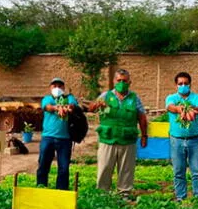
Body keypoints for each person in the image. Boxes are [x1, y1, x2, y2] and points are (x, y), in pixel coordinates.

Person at [90, 69, 148, 201]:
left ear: (129, 82)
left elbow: (142, 118)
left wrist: (144, 136)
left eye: (124, 81)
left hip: (127, 140)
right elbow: (91, 108)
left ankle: (124, 194)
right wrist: (97, 105)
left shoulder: (135, 98)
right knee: (104, 167)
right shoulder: (105, 96)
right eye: (119, 80)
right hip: (107, 139)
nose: (122, 83)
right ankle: (102, 194)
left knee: (126, 169)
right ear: (114, 81)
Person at [166, 72, 198, 201]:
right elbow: (170, 107)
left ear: (190, 84)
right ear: (176, 85)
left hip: (194, 140)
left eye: (186, 83)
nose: (183, 85)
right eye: (180, 84)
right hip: (176, 140)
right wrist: (180, 110)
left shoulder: (197, 97)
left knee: (197, 171)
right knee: (178, 172)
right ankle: (180, 197)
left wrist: (191, 110)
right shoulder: (171, 98)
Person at [36, 77, 78, 190]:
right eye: (55, 86)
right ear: (50, 88)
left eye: (60, 86)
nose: (57, 88)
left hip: (65, 139)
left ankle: (62, 190)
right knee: (43, 165)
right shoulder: (47, 99)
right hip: (48, 137)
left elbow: (73, 106)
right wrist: (57, 108)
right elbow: (47, 107)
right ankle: (41, 187)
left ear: (64, 88)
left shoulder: (69, 98)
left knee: (64, 168)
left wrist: (66, 108)